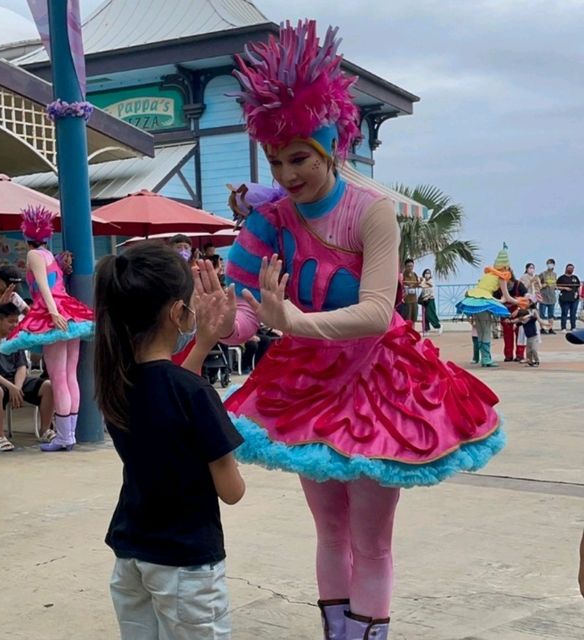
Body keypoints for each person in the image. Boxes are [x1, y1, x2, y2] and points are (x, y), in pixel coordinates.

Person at [203, 20, 505, 639]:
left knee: (370, 537)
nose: (288, 174)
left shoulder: (371, 212)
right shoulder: (269, 222)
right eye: (278, 160)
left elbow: (376, 310)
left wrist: (294, 321)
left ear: (329, 149)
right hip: (307, 387)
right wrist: (218, 329)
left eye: (300, 159)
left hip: (381, 382)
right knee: (328, 529)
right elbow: (245, 312)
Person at [93, 241, 245, 640]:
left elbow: (170, 391)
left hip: (132, 553)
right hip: (186, 560)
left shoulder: (115, 383)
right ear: (179, 313)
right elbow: (231, 491)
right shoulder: (196, 395)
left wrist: (203, 342)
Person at [0, 206, 94, 452]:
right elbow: (53, 279)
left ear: (26, 234)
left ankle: (64, 436)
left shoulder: (33, 256)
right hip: (70, 311)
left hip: (52, 312)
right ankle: (68, 432)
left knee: (59, 377)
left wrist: (52, 312)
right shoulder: (50, 255)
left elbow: (43, 285)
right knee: (69, 374)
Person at [0, 303, 55, 452]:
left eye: (16, 321)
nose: (14, 325)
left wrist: (17, 387)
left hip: (17, 381)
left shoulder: (16, 339)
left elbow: (22, 367)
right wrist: (10, 386)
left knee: (49, 386)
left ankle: (46, 430)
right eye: (10, 321)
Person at [456, 244, 520, 367]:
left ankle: (484, 358)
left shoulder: (488, 274)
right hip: (485, 300)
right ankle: (486, 358)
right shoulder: (501, 277)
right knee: (486, 330)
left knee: (480, 329)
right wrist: (519, 302)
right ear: (506, 266)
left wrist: (499, 300)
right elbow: (507, 297)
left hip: (475, 298)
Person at [494, 266, 528, 361]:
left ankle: (520, 355)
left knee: (520, 334)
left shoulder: (519, 285)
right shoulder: (498, 288)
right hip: (504, 313)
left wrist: (519, 309)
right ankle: (508, 355)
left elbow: (526, 298)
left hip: (518, 312)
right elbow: (495, 301)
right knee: (507, 335)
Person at [557, 263, 580, 332]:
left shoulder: (575, 278)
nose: (570, 269)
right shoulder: (561, 278)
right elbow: (557, 287)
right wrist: (564, 288)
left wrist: (578, 295)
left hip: (575, 299)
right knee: (564, 313)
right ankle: (563, 327)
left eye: (572, 268)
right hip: (565, 299)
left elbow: (578, 287)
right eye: (569, 268)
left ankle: (573, 327)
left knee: (573, 313)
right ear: (566, 269)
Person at [418, 269, 442, 334]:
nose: (427, 274)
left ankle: (438, 326)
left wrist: (422, 281)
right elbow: (421, 287)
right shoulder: (424, 281)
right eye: (426, 273)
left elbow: (427, 286)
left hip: (430, 299)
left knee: (430, 314)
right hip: (424, 300)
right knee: (425, 316)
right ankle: (426, 329)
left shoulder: (430, 281)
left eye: (429, 273)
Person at [539, 259, 558, 334]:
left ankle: (550, 328)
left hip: (552, 297)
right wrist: (544, 285)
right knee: (542, 314)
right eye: (549, 263)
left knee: (551, 314)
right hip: (543, 297)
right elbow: (537, 285)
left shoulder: (555, 274)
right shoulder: (543, 274)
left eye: (552, 263)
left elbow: (555, 285)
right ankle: (542, 328)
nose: (550, 265)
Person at [400, 259, 419, 323]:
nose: (410, 268)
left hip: (414, 299)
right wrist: (407, 285)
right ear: (405, 266)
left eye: (411, 266)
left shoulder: (415, 274)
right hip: (406, 300)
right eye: (408, 266)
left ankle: (412, 331)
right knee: (407, 318)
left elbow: (417, 284)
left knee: (414, 318)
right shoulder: (402, 275)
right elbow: (401, 284)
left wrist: (416, 284)